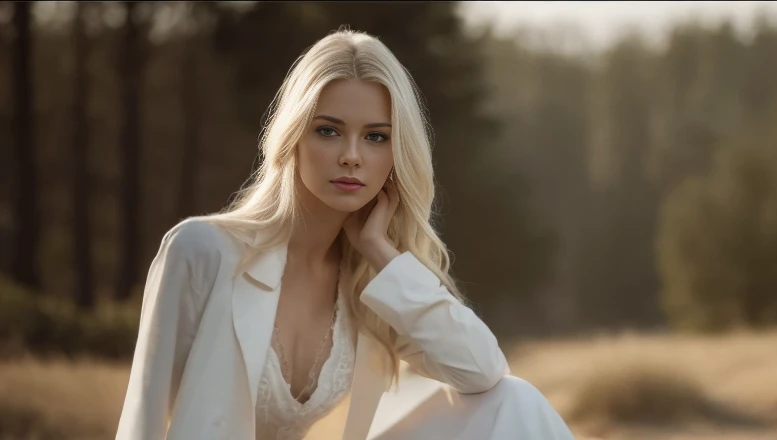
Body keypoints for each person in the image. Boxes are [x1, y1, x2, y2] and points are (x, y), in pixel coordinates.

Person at [115, 29, 574, 440]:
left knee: (516, 401)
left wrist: (381, 252)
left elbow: (483, 371)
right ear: (293, 137)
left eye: (375, 137)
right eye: (329, 131)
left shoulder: (368, 282)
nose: (352, 156)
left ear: (397, 155)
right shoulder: (202, 250)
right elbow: (144, 417)